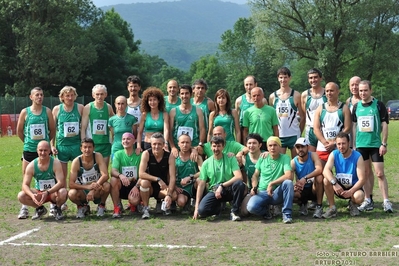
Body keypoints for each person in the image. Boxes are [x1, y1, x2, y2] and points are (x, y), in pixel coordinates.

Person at [352, 80, 393, 213]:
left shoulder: (378, 105)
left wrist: (384, 143)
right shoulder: (356, 106)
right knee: (365, 173)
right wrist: (353, 144)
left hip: (375, 145)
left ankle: (386, 201)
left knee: (380, 173)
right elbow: (354, 126)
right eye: (360, 90)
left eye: (365, 90)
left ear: (371, 90)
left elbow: (384, 124)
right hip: (361, 145)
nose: (363, 93)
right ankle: (368, 200)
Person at [16, 87, 56, 219]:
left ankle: (52, 205)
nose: (40, 97)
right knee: (26, 178)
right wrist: (28, 143)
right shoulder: (25, 112)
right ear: (31, 97)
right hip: (29, 150)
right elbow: (19, 131)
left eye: (41, 95)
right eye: (37, 95)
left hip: (44, 151)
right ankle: (25, 207)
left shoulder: (47, 111)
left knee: (49, 176)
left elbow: (52, 130)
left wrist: (45, 145)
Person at [193, 136, 245, 221]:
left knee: (239, 184)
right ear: (210, 147)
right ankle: (217, 209)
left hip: (229, 188)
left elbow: (239, 176)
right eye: (214, 146)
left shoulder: (230, 158)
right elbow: (201, 184)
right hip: (214, 190)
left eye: (218, 146)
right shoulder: (206, 163)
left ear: (223, 147)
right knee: (202, 211)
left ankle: (234, 211)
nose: (216, 148)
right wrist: (196, 208)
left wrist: (222, 186)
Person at [51, 86, 84, 214]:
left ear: (75, 96)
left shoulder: (80, 108)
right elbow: (53, 130)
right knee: (62, 176)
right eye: (67, 95)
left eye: (72, 95)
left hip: (76, 145)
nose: (70, 98)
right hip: (62, 146)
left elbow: (85, 125)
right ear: (62, 97)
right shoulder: (57, 109)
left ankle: (78, 201)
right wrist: (52, 145)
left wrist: (83, 142)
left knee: (78, 175)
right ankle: (63, 202)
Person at [246, 136, 294, 223]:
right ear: (267, 147)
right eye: (270, 145)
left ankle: (287, 214)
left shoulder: (285, 158)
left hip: (277, 192)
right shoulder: (262, 158)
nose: (272, 148)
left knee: (288, 183)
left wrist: (272, 183)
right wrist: (254, 187)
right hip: (262, 192)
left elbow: (288, 175)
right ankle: (266, 212)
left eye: (275, 145)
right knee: (251, 207)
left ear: (279, 146)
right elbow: (255, 175)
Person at [17, 141, 67, 220]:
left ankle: (58, 208)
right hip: (39, 193)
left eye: (45, 150)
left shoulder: (55, 163)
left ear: (49, 151)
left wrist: (47, 192)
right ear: (37, 151)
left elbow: (61, 182)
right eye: (40, 150)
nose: (43, 153)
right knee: (21, 196)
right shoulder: (31, 165)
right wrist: (32, 195)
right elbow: (25, 185)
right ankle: (40, 208)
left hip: (53, 193)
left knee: (63, 192)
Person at [322, 132, 366, 218]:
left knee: (359, 197)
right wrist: (334, 183)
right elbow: (325, 170)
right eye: (338, 144)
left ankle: (352, 204)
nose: (341, 147)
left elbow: (362, 179)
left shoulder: (357, 156)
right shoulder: (334, 154)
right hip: (339, 186)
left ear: (349, 143)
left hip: (353, 187)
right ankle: (332, 208)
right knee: (326, 180)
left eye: (343, 143)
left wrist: (351, 191)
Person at [68, 138, 111, 218]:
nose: (87, 150)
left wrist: (93, 189)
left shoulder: (98, 156)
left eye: (89, 147)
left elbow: (105, 175)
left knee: (107, 185)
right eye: (85, 147)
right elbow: (70, 184)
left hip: (97, 189)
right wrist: (87, 187)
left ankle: (101, 205)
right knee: (71, 193)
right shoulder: (76, 161)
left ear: (93, 148)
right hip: (83, 191)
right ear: (81, 149)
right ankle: (82, 207)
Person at [138, 133, 177, 219]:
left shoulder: (170, 156)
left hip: (163, 187)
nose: (156, 146)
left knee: (173, 195)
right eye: (154, 144)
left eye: (159, 144)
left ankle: (165, 204)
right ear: (151, 144)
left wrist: (169, 195)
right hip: (150, 186)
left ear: (163, 145)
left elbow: (172, 177)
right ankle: (145, 208)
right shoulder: (146, 153)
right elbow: (141, 173)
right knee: (144, 183)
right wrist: (157, 179)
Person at [269, 67, 305, 157]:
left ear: (290, 78)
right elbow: (271, 117)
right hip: (279, 135)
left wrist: (299, 132)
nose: (283, 80)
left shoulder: (296, 95)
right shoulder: (272, 97)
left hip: (294, 134)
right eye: (281, 77)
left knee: (296, 163)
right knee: (280, 163)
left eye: (285, 77)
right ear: (278, 78)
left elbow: (303, 116)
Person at [313, 82, 351, 163]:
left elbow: (348, 128)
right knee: (321, 174)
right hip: (323, 146)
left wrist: (335, 142)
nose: (329, 93)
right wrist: (325, 143)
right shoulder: (320, 108)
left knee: (342, 173)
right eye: (327, 91)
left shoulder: (344, 108)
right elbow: (316, 129)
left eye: (331, 91)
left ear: (337, 91)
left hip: (339, 146)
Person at [81, 84, 114, 168]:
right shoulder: (88, 107)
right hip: (92, 144)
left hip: (105, 143)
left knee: (104, 170)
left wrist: (114, 139)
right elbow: (83, 128)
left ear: (105, 95)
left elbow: (114, 124)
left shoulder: (108, 107)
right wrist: (83, 144)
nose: (99, 96)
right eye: (97, 94)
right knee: (92, 170)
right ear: (93, 95)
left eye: (102, 94)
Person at [110, 133, 142, 218]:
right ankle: (117, 208)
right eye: (123, 139)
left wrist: (137, 186)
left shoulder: (140, 154)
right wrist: (121, 175)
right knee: (113, 180)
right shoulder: (118, 154)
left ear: (134, 141)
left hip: (135, 185)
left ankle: (135, 205)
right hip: (123, 184)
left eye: (128, 139)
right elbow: (113, 171)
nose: (125, 141)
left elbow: (144, 173)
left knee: (134, 200)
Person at [291, 137, 324, 218]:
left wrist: (305, 178)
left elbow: (319, 169)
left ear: (308, 147)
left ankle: (319, 206)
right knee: (291, 193)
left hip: (314, 187)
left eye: (302, 147)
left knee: (319, 177)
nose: (300, 149)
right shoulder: (293, 162)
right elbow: (289, 177)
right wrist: (293, 186)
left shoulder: (313, 155)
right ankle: (303, 204)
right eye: (298, 147)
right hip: (301, 189)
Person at [169, 84, 206, 157]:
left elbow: (202, 129)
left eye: (187, 93)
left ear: (191, 94)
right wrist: (172, 147)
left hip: (194, 147)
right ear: (179, 95)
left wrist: (200, 144)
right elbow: (170, 130)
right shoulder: (173, 111)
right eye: (182, 93)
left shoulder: (198, 110)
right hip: (178, 147)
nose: (184, 96)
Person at [173, 134, 203, 213]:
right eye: (182, 142)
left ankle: (197, 202)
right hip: (181, 187)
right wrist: (175, 187)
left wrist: (191, 177)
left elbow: (203, 172)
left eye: (187, 142)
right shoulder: (174, 158)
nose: (185, 145)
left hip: (193, 184)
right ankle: (187, 202)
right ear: (178, 144)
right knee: (181, 202)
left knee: (200, 180)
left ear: (191, 144)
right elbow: (169, 175)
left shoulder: (196, 157)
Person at [235, 76, 268, 144]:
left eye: (251, 84)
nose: (249, 87)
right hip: (244, 131)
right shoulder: (239, 101)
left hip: (259, 130)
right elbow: (237, 121)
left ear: (255, 84)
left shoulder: (263, 100)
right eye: (246, 85)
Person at [136, 87, 170, 152]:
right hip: (147, 143)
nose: (152, 102)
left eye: (154, 99)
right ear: (147, 102)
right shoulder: (144, 115)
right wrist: (138, 146)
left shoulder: (164, 114)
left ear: (159, 101)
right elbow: (140, 132)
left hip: (160, 144)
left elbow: (166, 130)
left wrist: (165, 143)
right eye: (150, 100)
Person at [301, 68, 327, 151]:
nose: (313, 80)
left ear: (320, 78)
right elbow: (304, 114)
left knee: (325, 157)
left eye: (315, 77)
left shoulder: (327, 93)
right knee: (310, 157)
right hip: (310, 130)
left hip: (324, 129)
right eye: (311, 78)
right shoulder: (305, 95)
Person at [239, 133, 263, 217]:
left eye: (254, 143)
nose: (251, 145)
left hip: (265, 189)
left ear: (260, 145)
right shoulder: (244, 158)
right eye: (249, 143)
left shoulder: (266, 156)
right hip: (252, 190)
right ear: (246, 145)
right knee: (244, 212)